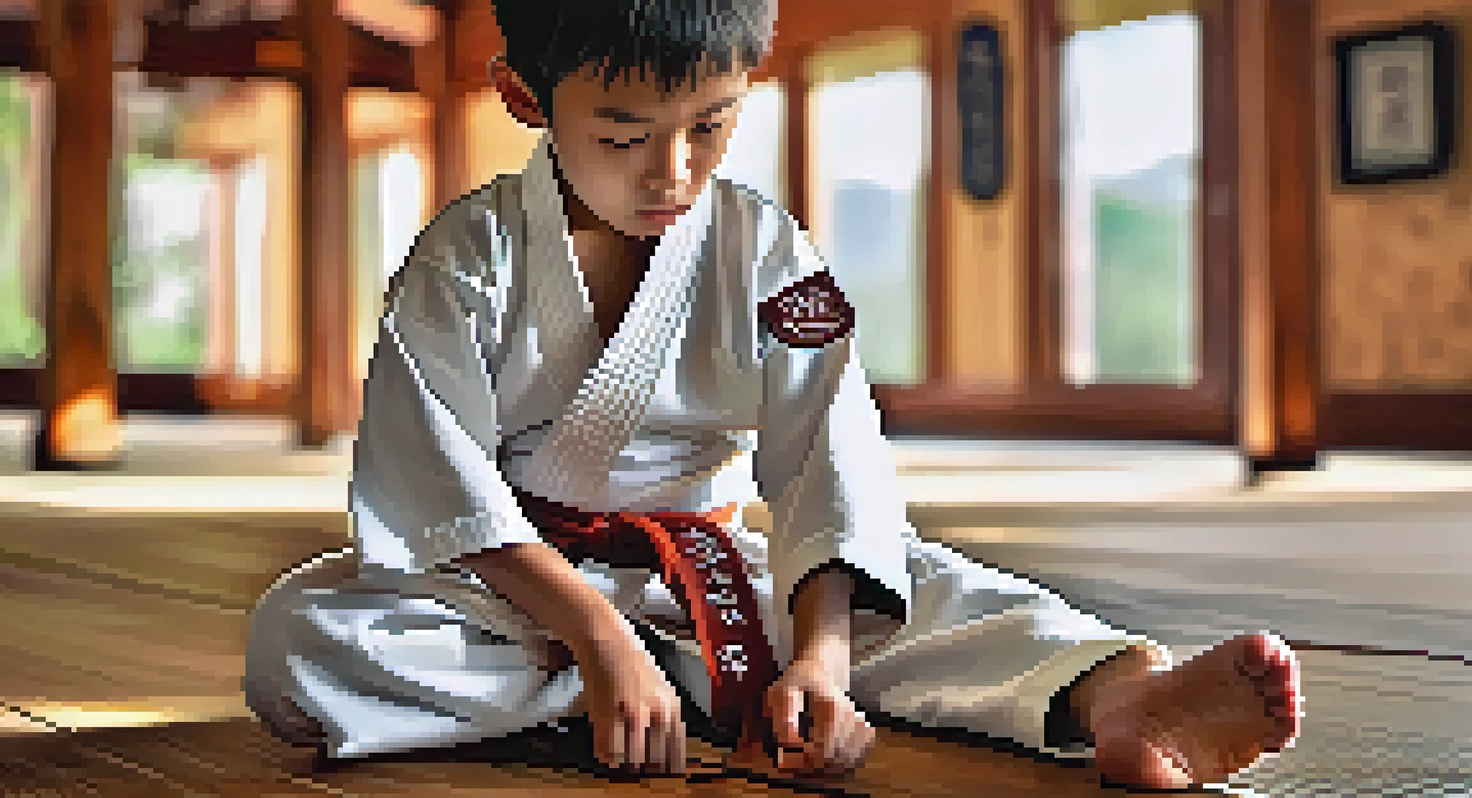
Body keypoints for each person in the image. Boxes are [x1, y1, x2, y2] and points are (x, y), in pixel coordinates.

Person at [243, 0, 1302, 789]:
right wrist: (601, 641)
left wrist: (826, 663)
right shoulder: (463, 259)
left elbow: (828, 472)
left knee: (933, 591)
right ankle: (646, 687)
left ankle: (1120, 698)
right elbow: (438, 486)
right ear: (524, 96)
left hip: (709, 575)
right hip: (519, 592)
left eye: (713, 124)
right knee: (301, 640)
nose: (674, 173)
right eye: (623, 134)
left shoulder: (766, 251)